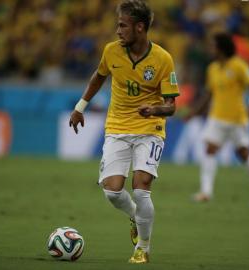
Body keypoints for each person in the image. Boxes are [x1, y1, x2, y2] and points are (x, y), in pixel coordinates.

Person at [69, 0, 179, 264]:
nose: (118, 31)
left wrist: (154, 110)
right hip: (117, 127)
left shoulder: (163, 59)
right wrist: (80, 107)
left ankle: (143, 247)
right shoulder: (111, 52)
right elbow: (98, 77)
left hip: (149, 130)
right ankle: (134, 215)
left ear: (140, 28)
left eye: (123, 26)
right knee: (112, 191)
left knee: (141, 188)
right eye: (118, 25)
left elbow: (171, 107)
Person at [186, 32, 249, 205]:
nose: (210, 48)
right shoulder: (212, 68)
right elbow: (208, 94)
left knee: (244, 154)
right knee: (209, 150)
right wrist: (194, 112)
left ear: (221, 48)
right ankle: (205, 192)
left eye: (213, 45)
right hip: (216, 118)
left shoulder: (238, 65)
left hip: (237, 119)